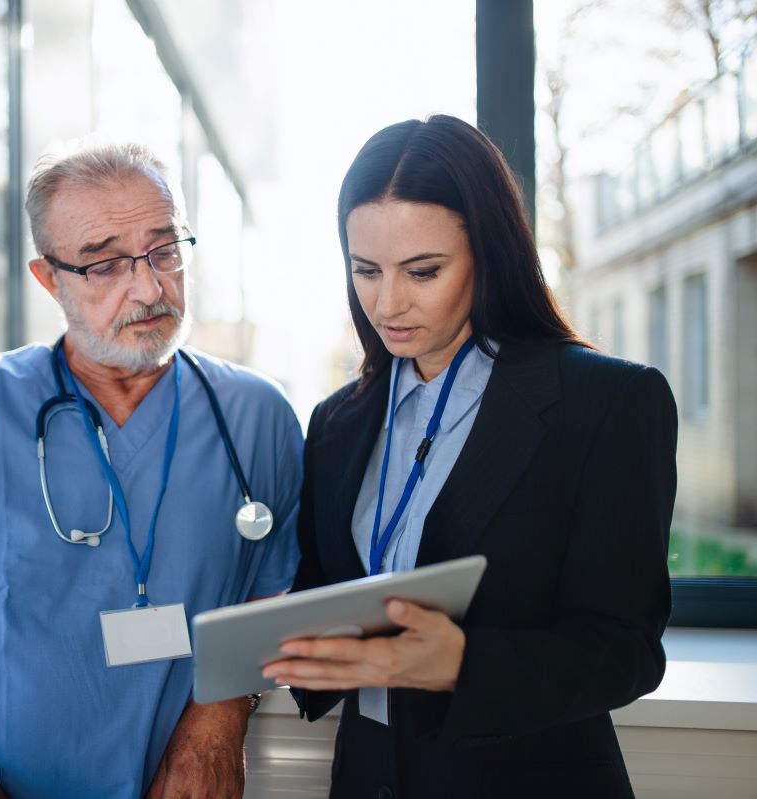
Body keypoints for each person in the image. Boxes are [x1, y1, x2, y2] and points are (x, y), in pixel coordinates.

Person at [0, 141, 303, 799]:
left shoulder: (257, 417)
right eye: (105, 263)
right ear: (49, 278)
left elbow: (272, 596)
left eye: (164, 250)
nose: (149, 286)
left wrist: (221, 713)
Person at [261, 115, 677, 799]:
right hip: (369, 775)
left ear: (489, 253)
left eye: (423, 271)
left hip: (528, 778)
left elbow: (627, 651)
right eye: (365, 270)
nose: (387, 303)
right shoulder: (336, 421)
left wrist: (462, 661)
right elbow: (326, 589)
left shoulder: (606, 402)